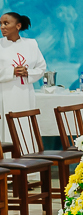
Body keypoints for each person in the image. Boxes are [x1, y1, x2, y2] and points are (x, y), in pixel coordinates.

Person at [0, 12, 46, 142]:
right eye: (1, 24)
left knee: (26, 127)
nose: (2, 27)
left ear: (18, 26)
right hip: (4, 93)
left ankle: (28, 158)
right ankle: (7, 160)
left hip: (26, 93)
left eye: (6, 23)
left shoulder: (31, 44)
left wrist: (28, 73)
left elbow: (41, 67)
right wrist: (11, 72)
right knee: (7, 129)